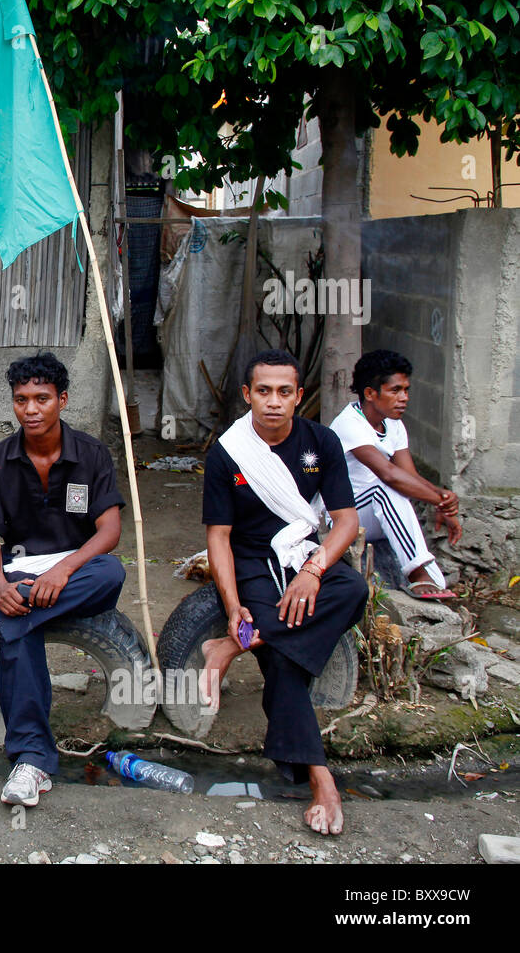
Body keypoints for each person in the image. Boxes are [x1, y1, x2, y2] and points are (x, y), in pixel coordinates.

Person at [0, 352, 126, 808]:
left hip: (79, 573)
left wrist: (63, 569)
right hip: (23, 575)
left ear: (62, 400)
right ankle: (31, 762)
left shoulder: (91, 455)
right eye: (21, 400)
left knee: (113, 570)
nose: (31, 409)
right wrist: (0, 587)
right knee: (18, 626)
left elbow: (110, 531)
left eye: (42, 398)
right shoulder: (0, 461)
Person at [200, 349, 368, 836]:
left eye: (285, 392)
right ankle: (322, 780)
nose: (274, 402)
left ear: (299, 396)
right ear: (247, 394)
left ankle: (231, 648)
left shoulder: (322, 442)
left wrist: (314, 570)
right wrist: (234, 607)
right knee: (284, 663)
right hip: (252, 559)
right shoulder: (228, 452)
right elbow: (219, 537)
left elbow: (347, 520)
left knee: (352, 588)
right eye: (264, 391)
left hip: (301, 552)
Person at [330, 350, 460, 599]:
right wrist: (438, 501)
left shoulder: (394, 424)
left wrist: (443, 498)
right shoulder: (349, 423)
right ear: (370, 393)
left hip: (372, 513)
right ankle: (417, 573)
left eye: (406, 390)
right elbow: (389, 474)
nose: (404, 398)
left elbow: (407, 473)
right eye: (395, 390)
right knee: (386, 488)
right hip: (341, 516)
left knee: (392, 488)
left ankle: (427, 576)